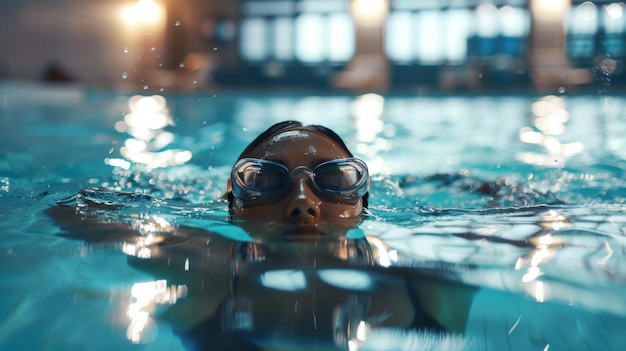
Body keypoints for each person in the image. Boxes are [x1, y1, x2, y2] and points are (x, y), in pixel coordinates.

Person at [45, 121, 476, 350]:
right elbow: (69, 209)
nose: (303, 203)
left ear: (363, 202)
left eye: (335, 179)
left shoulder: (430, 287)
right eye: (266, 181)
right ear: (231, 203)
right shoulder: (203, 272)